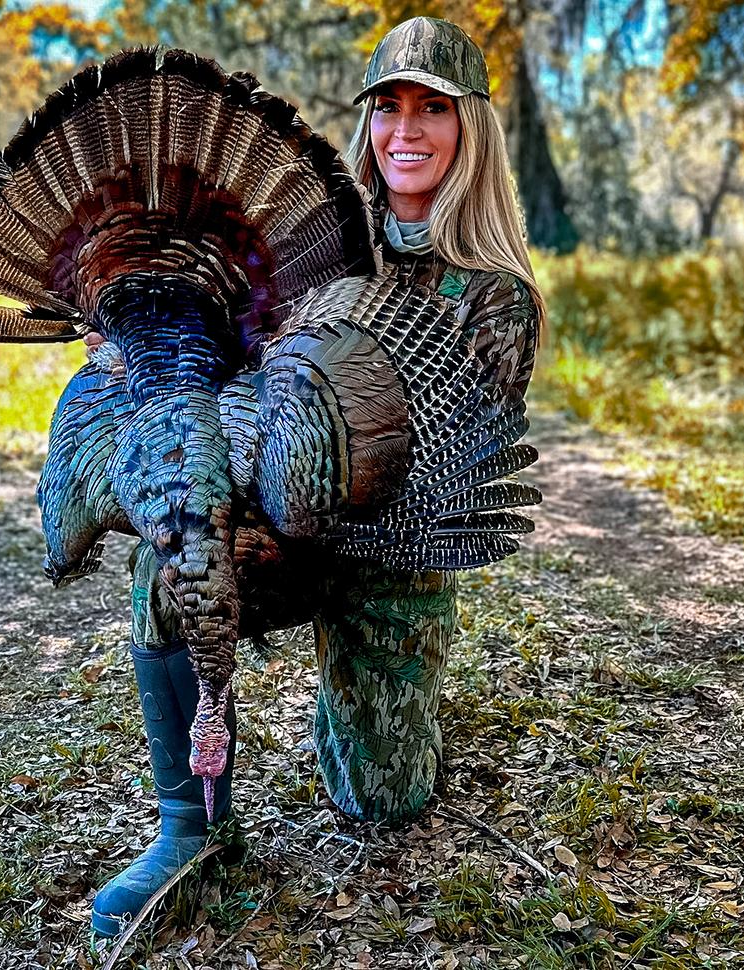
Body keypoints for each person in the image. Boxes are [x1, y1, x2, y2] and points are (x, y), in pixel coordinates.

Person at [89, 15, 544, 937]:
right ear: (367, 121)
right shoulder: (307, 241)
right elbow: (230, 368)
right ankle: (195, 832)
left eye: (433, 109)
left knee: (381, 802)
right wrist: (137, 342)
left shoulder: (495, 295)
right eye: (388, 108)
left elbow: (461, 466)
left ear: (472, 129)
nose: (406, 131)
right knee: (174, 570)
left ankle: (386, 699)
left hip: (397, 553)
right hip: (288, 515)